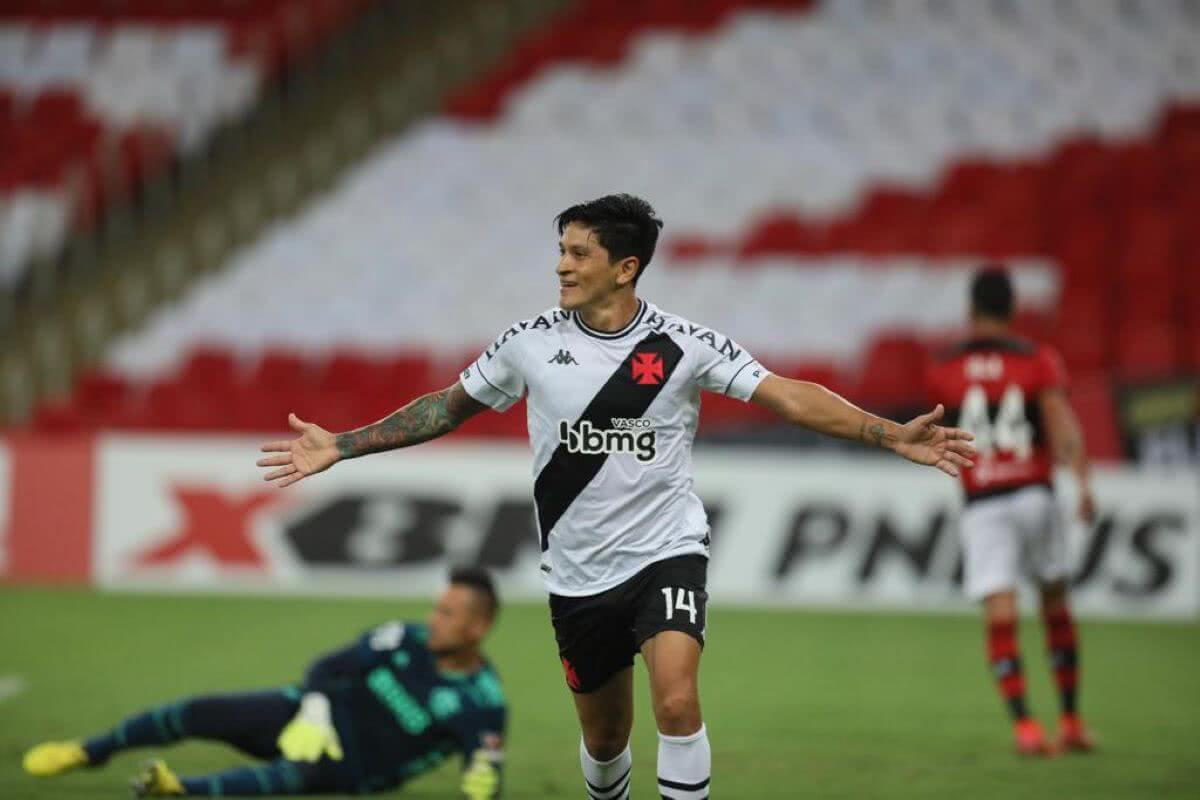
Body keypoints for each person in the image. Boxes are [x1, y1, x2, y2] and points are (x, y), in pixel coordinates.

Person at [254, 194, 976, 799]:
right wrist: (342, 445)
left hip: (666, 552)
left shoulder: (683, 345)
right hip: (576, 575)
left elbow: (788, 396)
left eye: (578, 253)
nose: (561, 265)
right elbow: (446, 408)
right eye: (561, 250)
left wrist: (889, 435)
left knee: (678, 700)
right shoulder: (527, 344)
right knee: (604, 742)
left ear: (624, 267)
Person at [22, 568, 506, 797]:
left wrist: (482, 783)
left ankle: (178, 791)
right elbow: (327, 667)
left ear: (477, 628)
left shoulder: (483, 703)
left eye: (447, 614)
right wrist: (315, 712)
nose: (433, 619)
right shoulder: (404, 636)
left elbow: (482, 772)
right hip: (305, 716)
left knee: (295, 773)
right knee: (202, 712)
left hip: (354, 768)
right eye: (437, 607)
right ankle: (90, 751)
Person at [926, 266, 1096, 757]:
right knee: (1055, 603)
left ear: (970, 309)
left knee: (1001, 616)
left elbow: (937, 433)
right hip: (1035, 493)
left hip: (984, 503)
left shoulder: (943, 366)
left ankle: (1026, 728)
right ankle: (1070, 720)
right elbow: (1063, 428)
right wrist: (1083, 484)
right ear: (1013, 309)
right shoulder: (1038, 359)